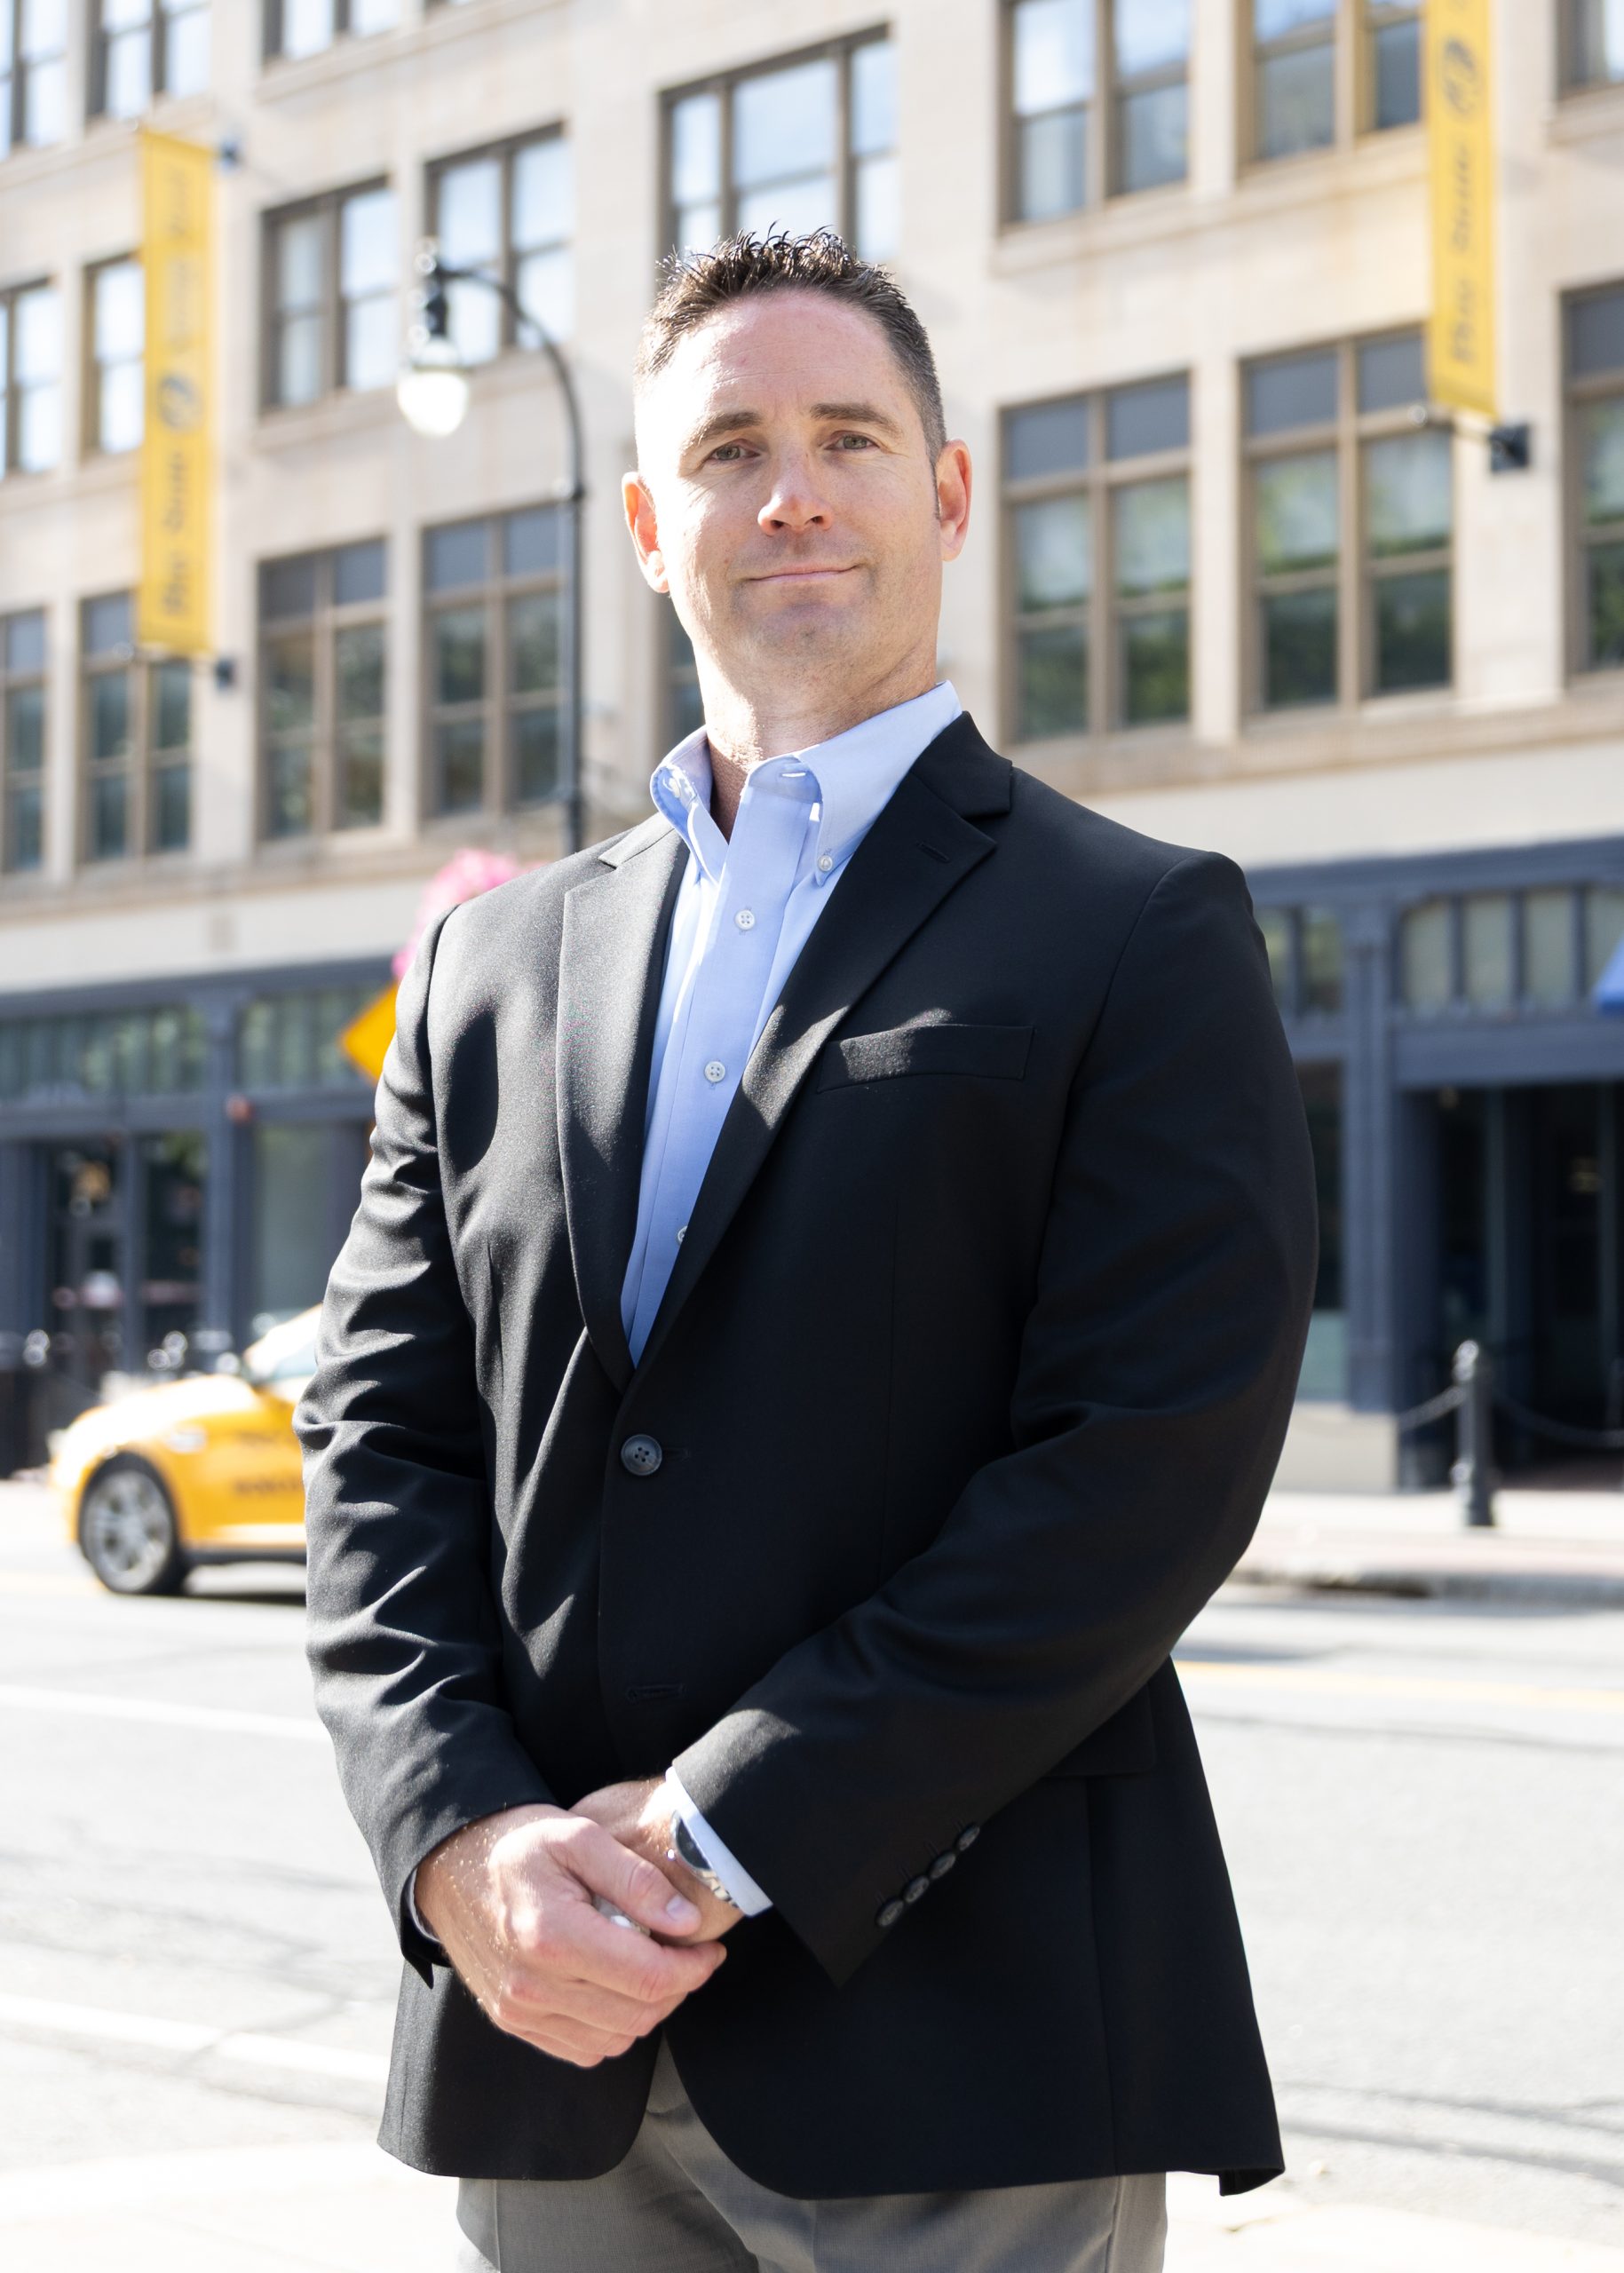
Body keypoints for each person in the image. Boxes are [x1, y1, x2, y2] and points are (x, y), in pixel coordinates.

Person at [297, 226, 1319, 2273]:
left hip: (964, 2029)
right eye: (733, 444)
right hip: (546, 2034)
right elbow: (376, 1438)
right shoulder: (494, 965)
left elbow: (1145, 1468)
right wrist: (461, 1837)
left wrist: (718, 1827)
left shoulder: (1137, 926)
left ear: (945, 493)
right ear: (646, 519)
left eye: (851, 436)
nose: (794, 490)